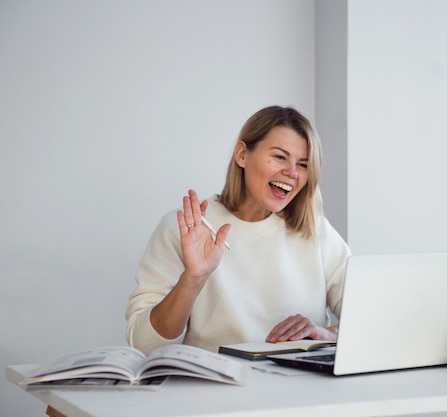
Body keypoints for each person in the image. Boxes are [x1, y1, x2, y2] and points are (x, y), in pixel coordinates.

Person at [125, 105, 351, 354]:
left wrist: (325, 334)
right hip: (216, 387)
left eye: (304, 164)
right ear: (242, 155)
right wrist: (193, 279)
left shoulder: (314, 229)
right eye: (279, 157)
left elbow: (373, 319)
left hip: (300, 387)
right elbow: (144, 344)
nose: (292, 173)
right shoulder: (189, 227)